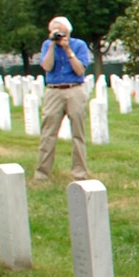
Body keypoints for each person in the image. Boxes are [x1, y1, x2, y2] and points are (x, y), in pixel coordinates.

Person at [33, 16, 91, 181]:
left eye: (61, 31)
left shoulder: (79, 45)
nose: (58, 34)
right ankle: (42, 174)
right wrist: (52, 45)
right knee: (48, 133)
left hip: (74, 89)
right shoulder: (47, 45)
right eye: (54, 31)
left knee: (78, 134)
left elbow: (80, 70)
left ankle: (79, 173)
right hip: (54, 90)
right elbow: (46, 66)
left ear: (68, 31)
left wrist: (68, 50)